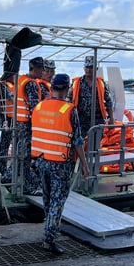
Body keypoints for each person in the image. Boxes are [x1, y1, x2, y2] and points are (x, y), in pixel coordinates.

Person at [31, 73, 89, 255]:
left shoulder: (39, 107)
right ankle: (49, 239)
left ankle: (50, 226)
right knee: (58, 200)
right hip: (60, 163)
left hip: (40, 160)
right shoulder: (69, 110)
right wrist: (85, 166)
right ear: (67, 89)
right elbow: (77, 141)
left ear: (51, 88)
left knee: (48, 198)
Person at [10, 56, 46, 195]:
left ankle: (9, 177)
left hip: (17, 123)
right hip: (26, 124)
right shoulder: (30, 84)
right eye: (41, 69)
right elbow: (34, 107)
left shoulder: (20, 80)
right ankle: (27, 187)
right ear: (35, 69)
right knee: (25, 156)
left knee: (18, 154)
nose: (43, 72)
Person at [71, 56, 114, 137]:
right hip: (81, 120)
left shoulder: (101, 83)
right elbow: (69, 101)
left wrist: (111, 119)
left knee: (96, 145)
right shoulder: (77, 83)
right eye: (87, 67)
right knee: (80, 144)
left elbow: (109, 102)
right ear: (84, 68)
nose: (88, 70)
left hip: (97, 120)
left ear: (96, 69)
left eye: (91, 67)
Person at [0, 73, 15, 179]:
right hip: (6, 118)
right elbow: (11, 98)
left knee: (16, 143)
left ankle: (13, 168)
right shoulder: (3, 86)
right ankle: (3, 169)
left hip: (15, 118)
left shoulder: (13, 85)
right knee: (5, 144)